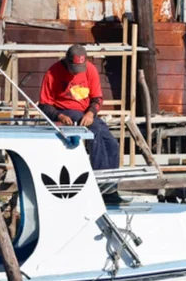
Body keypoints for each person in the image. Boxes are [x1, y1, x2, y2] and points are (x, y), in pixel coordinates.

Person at [38, 43, 127, 204]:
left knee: (111, 143)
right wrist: (59, 115)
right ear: (67, 62)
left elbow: (97, 98)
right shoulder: (53, 72)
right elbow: (44, 104)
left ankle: (111, 188)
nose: (76, 72)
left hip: (86, 111)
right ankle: (100, 186)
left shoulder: (91, 70)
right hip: (65, 111)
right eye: (74, 69)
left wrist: (91, 113)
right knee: (96, 134)